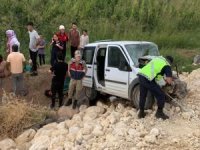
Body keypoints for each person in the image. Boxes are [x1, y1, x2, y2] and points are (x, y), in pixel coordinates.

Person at [137, 56, 174, 120]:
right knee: (161, 95)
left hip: (141, 75)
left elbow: (155, 73)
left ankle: (141, 113)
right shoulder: (167, 65)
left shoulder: (157, 59)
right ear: (170, 62)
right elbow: (169, 81)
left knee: (143, 95)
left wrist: (161, 81)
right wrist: (169, 82)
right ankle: (159, 113)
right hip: (148, 79)